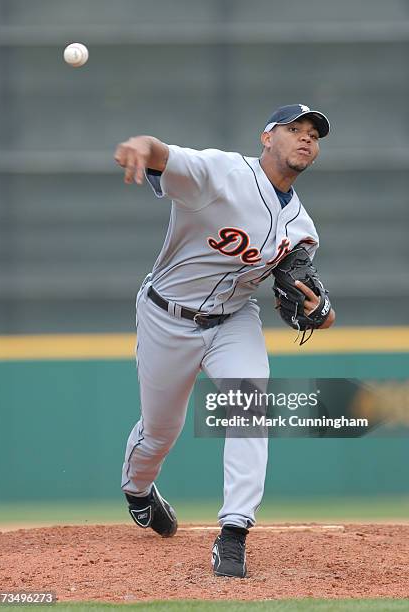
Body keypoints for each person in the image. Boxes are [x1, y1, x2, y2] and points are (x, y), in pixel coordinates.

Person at [114, 104, 335, 578]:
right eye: (293, 129)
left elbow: (317, 308)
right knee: (160, 431)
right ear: (266, 137)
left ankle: (233, 534)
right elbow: (162, 155)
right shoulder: (221, 172)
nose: (305, 139)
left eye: (313, 135)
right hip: (166, 314)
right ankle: (137, 488)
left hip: (234, 319)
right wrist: (141, 145)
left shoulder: (301, 227)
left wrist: (320, 313)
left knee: (250, 409)